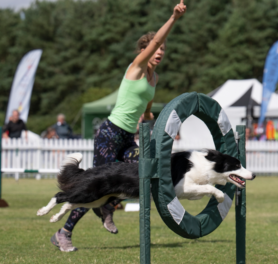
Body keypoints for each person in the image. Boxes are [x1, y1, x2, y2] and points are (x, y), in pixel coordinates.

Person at [50, 1, 187, 252]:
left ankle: (107, 207)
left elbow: (147, 107)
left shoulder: (153, 78)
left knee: (141, 167)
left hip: (126, 138)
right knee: (96, 186)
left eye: (162, 51)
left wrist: (149, 118)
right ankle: (63, 233)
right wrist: (173, 18)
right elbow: (156, 41)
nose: (159, 52)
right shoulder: (136, 67)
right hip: (109, 134)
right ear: (143, 51)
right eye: (155, 49)